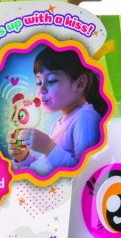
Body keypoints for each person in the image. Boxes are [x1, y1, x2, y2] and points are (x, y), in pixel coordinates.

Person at [8, 46, 108, 176]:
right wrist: (24, 157)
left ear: (80, 84)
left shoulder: (86, 118)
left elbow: (85, 172)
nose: (42, 89)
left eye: (51, 81)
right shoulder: (60, 122)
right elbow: (47, 165)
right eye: (39, 82)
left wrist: (48, 147)